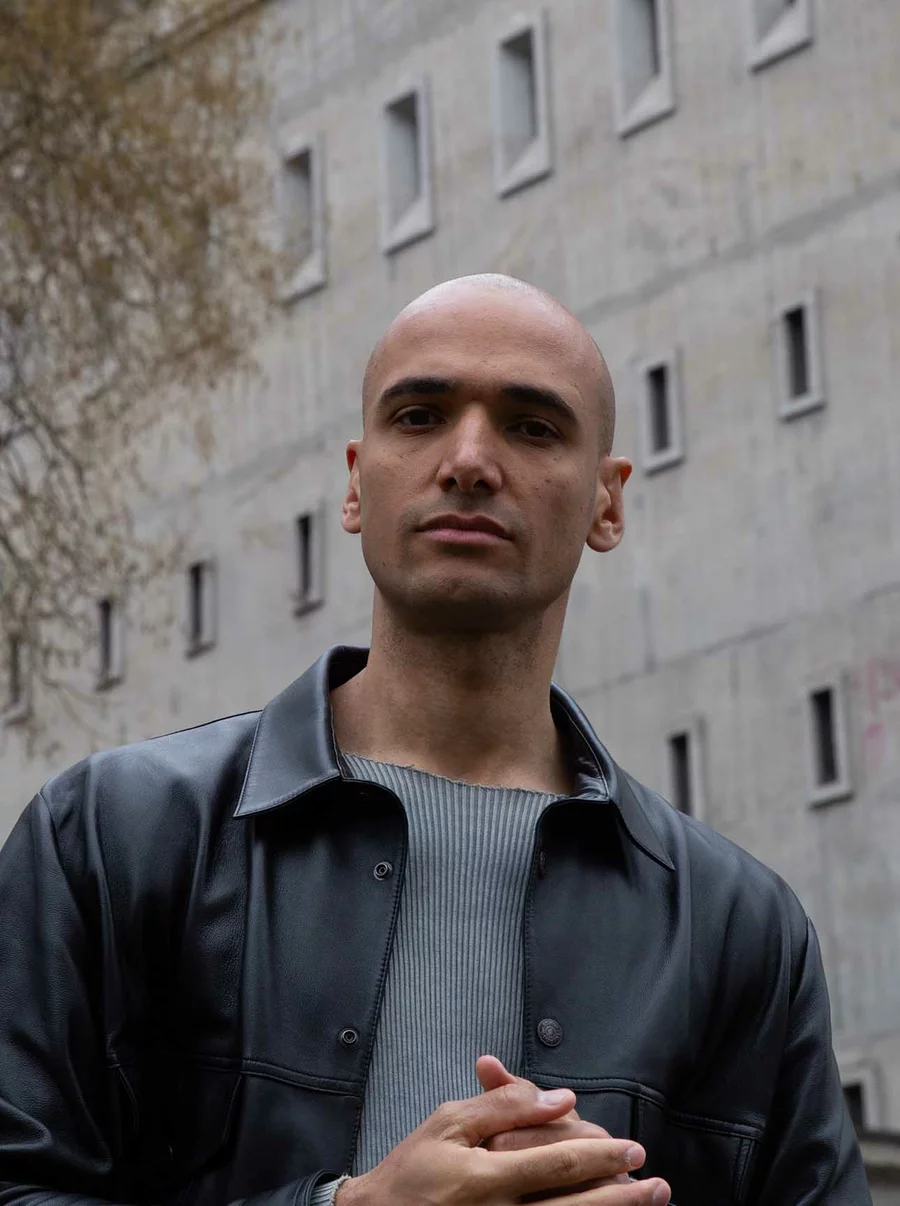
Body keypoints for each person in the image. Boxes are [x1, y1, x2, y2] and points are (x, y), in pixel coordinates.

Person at [0, 275, 869, 1206]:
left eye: (533, 427)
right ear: (354, 483)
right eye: (418, 416)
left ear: (608, 504)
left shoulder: (740, 929)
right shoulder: (109, 837)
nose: (467, 460)